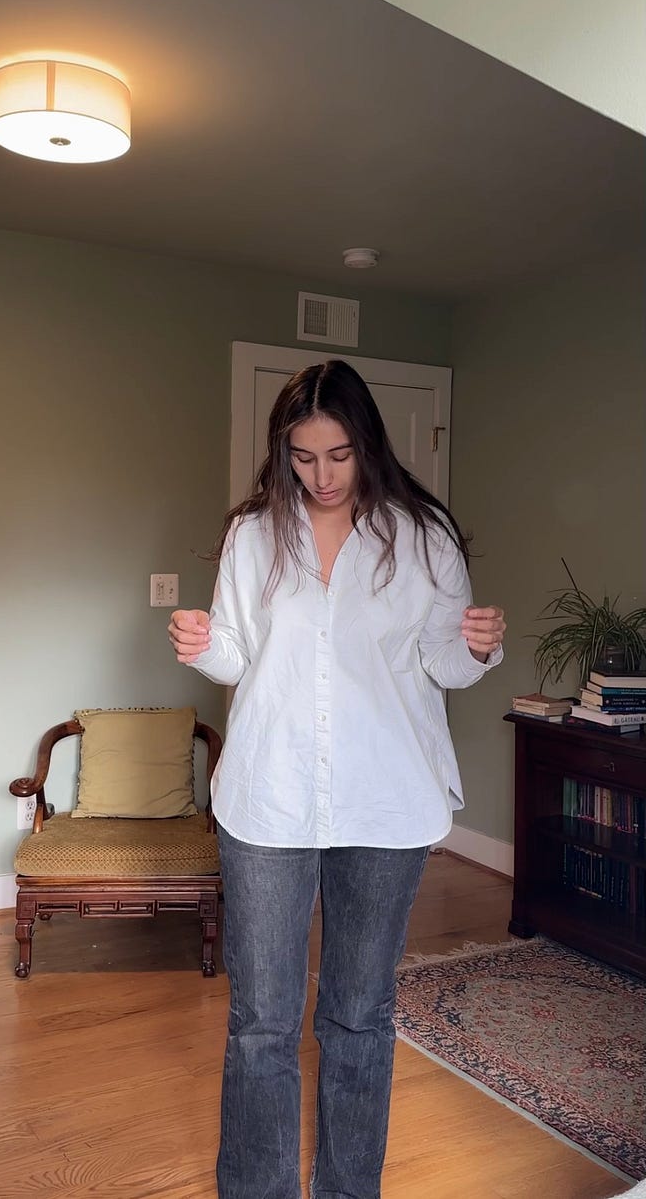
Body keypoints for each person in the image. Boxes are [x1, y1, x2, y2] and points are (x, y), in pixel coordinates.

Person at [168, 359, 505, 1199]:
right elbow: (239, 657)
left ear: (370, 445)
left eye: (339, 455)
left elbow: (441, 662)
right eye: (303, 456)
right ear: (284, 450)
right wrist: (202, 640)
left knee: (360, 1018)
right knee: (261, 1024)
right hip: (269, 798)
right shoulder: (253, 534)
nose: (321, 476)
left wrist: (475, 643)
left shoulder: (423, 536)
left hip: (385, 801)